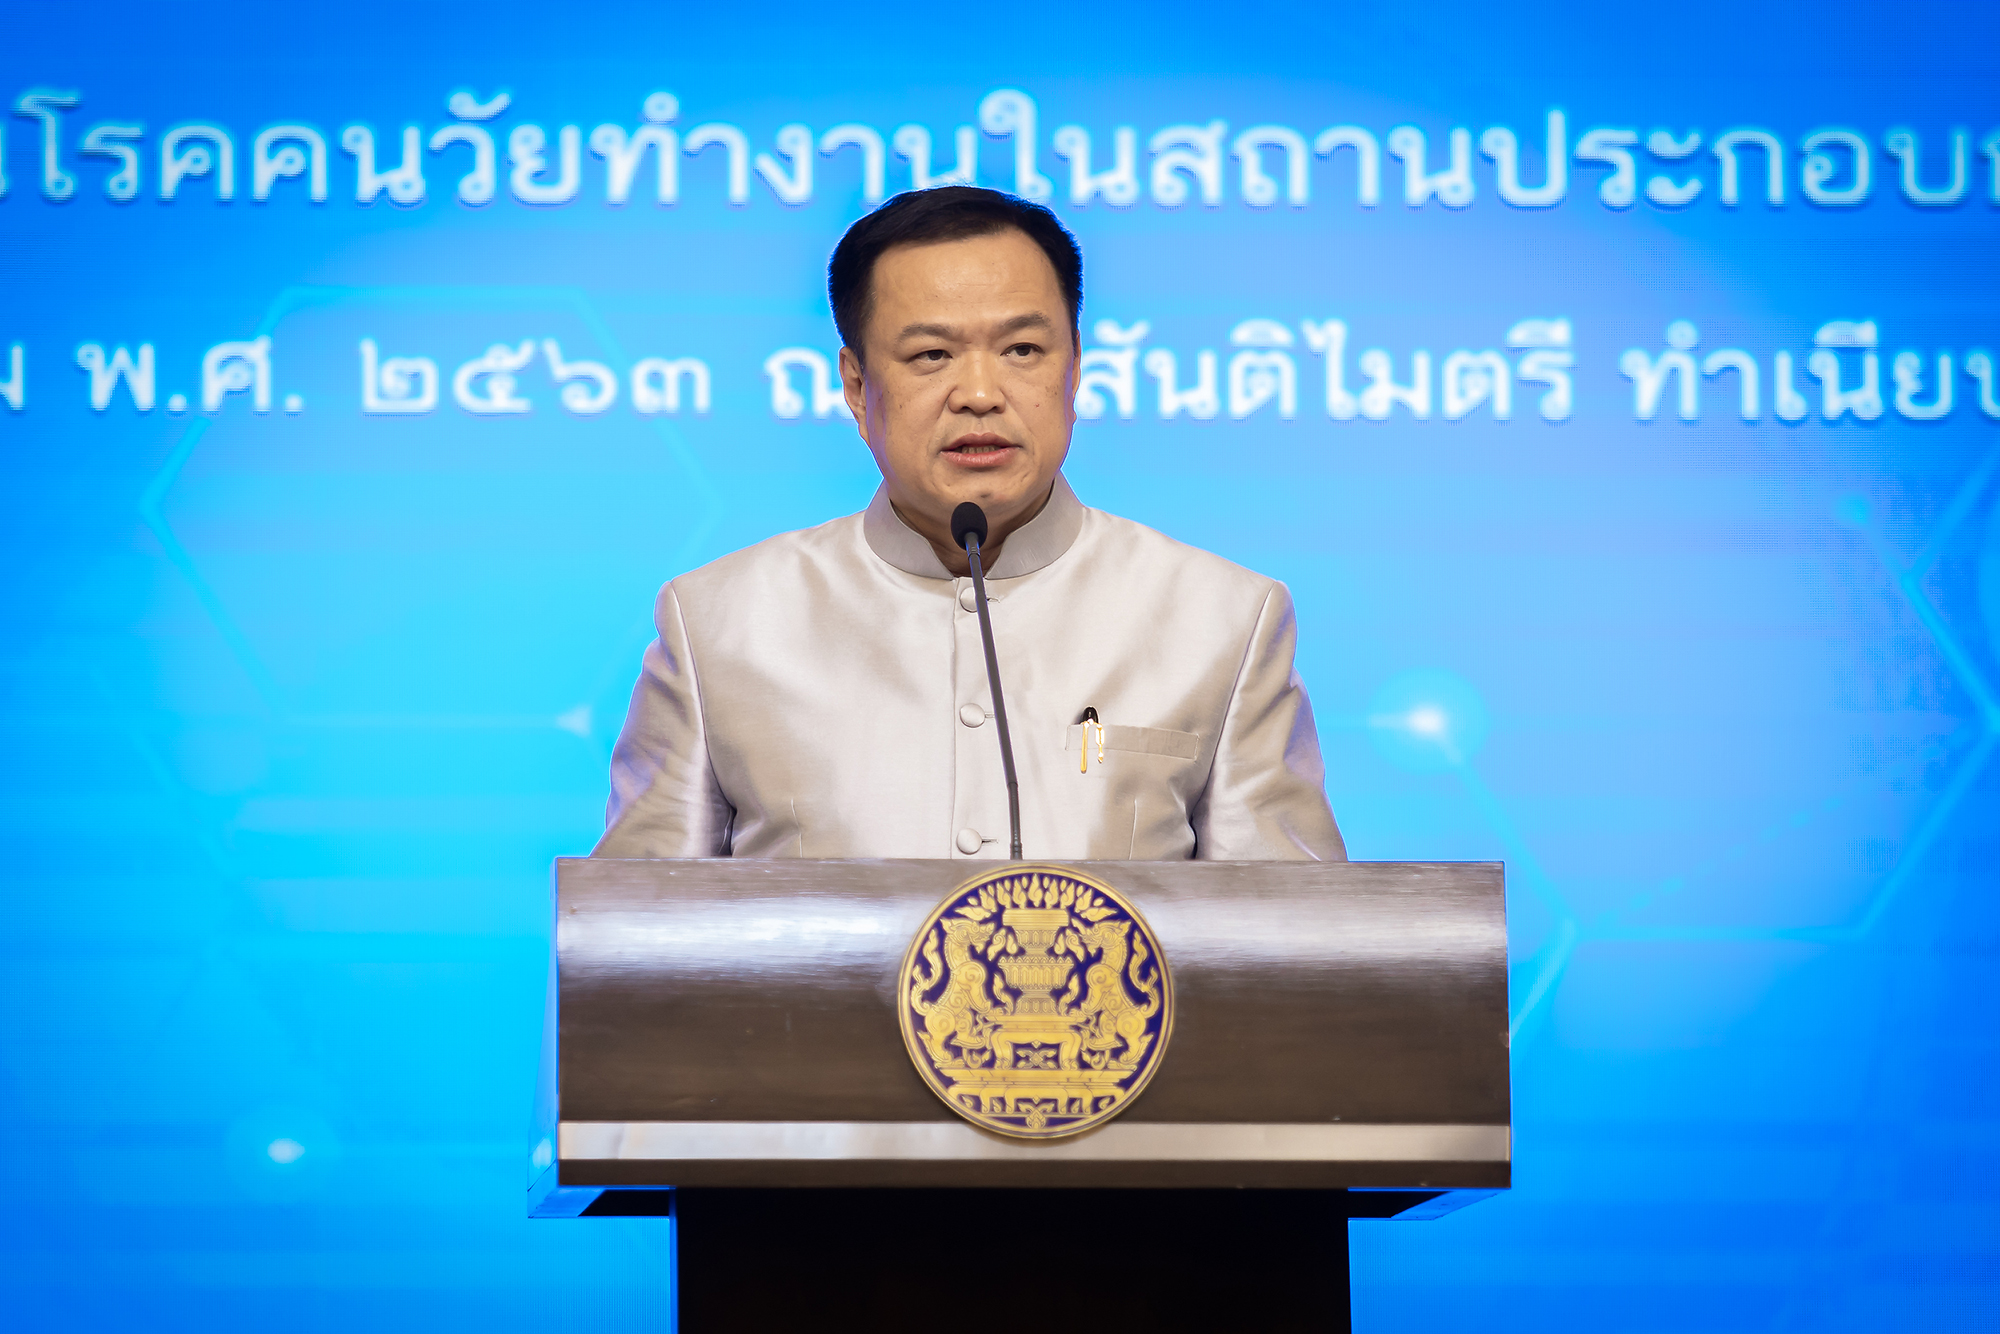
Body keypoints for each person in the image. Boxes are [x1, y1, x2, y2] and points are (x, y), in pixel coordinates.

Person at [595, 186, 1343, 862]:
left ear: (1075, 367)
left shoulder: (1221, 617)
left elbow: (1289, 940)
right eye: (932, 354)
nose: (980, 393)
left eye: (1022, 350)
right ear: (856, 386)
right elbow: (638, 934)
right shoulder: (720, 621)